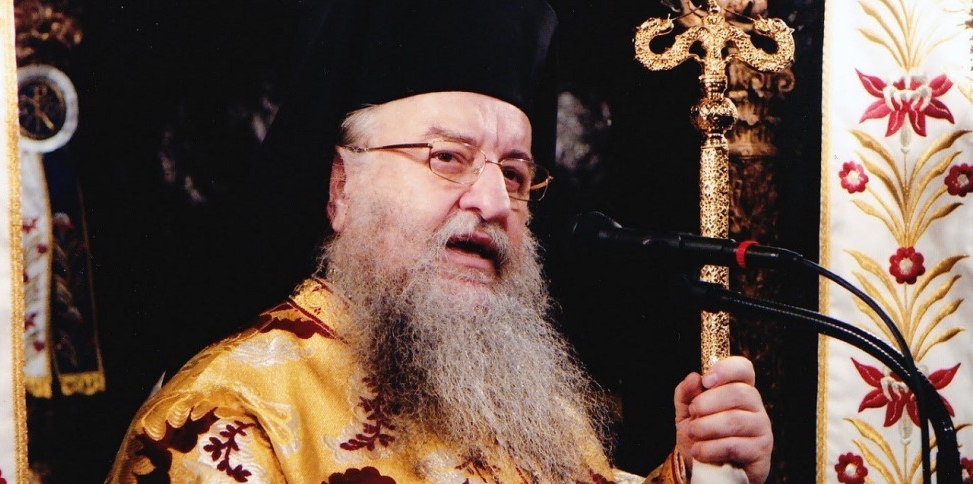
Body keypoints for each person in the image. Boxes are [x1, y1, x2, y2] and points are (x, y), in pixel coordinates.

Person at [107, 0, 773, 482]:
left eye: (515, 174)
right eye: (447, 158)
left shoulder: (532, 410)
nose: (493, 201)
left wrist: (698, 468)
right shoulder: (227, 419)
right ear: (341, 188)